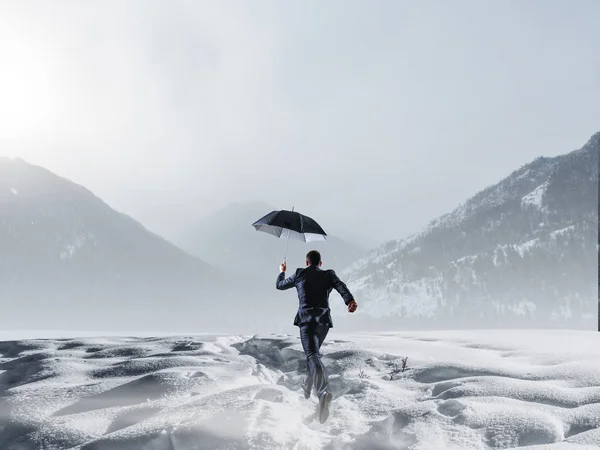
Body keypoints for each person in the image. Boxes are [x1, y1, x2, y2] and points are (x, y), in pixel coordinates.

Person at [276, 249, 358, 423]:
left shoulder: (300, 273)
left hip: (307, 321)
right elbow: (341, 286)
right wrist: (349, 300)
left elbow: (280, 286)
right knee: (313, 355)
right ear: (320, 263)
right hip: (323, 322)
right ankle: (307, 385)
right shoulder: (329, 274)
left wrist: (282, 272)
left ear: (307, 263)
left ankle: (322, 393)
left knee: (312, 355)